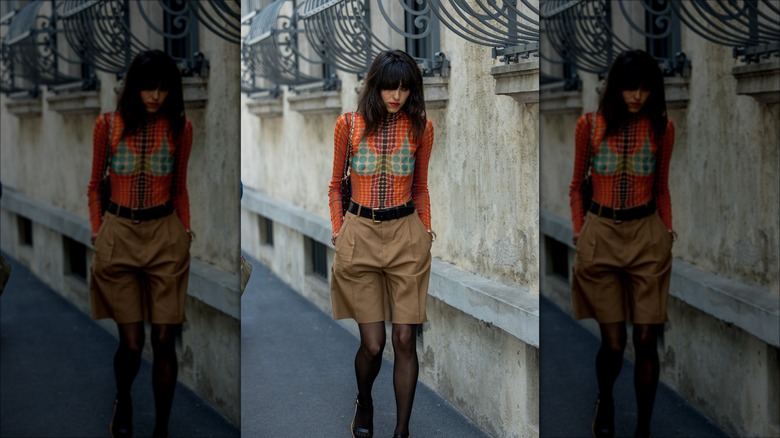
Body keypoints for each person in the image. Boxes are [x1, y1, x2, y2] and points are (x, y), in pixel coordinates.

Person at [328, 49, 435, 438]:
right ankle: (365, 399)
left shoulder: (421, 128)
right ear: (376, 86)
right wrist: (339, 230)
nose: (397, 96)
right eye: (391, 87)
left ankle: (402, 431)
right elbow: (333, 185)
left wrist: (427, 230)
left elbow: (421, 186)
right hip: (360, 235)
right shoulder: (349, 125)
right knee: (373, 345)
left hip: (406, 235)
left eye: (405, 89)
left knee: (405, 339)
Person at [569, 49, 675, 438]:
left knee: (646, 338)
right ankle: (606, 398)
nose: (637, 96)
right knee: (614, 344)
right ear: (617, 87)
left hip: (647, 235)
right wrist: (580, 231)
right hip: (601, 234)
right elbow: (576, 185)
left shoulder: (662, 128)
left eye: (646, 89)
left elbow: (662, 188)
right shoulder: (590, 126)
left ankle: (644, 429)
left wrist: (667, 230)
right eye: (631, 87)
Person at [87, 49, 193, 438]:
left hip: (165, 235)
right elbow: (93, 185)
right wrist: (99, 230)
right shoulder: (108, 125)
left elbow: (180, 188)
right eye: (149, 87)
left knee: (164, 338)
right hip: (119, 234)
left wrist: (185, 232)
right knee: (132, 344)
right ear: (135, 88)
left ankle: (162, 429)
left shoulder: (181, 128)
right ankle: (124, 398)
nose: (155, 96)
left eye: (164, 89)